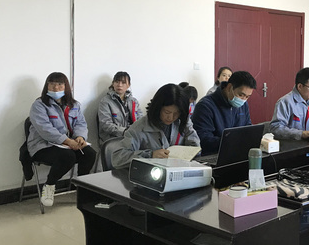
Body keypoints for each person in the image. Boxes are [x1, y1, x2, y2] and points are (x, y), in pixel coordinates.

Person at [27, 72, 97, 207]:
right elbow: (45, 129)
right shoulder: (39, 105)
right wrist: (68, 141)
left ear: (66, 87)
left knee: (89, 153)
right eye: (52, 84)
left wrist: (80, 137)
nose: (55, 88)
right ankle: (49, 185)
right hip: (43, 145)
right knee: (68, 156)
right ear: (46, 86)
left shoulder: (74, 105)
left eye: (60, 84)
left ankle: (82, 187)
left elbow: (81, 124)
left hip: (68, 144)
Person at [111, 83, 200, 169]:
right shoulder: (140, 127)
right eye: (167, 112)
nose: (171, 117)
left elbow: (195, 147)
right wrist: (150, 155)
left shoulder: (182, 120)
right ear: (158, 108)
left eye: (176, 113)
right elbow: (117, 159)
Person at [192, 71, 255, 155]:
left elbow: (247, 127)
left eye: (247, 97)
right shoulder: (205, 106)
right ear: (229, 87)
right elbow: (203, 139)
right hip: (213, 154)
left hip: (237, 152)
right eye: (241, 95)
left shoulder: (243, 104)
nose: (243, 99)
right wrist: (230, 142)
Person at [270, 67, 309, 141]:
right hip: (292, 145)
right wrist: (301, 134)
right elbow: (276, 128)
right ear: (300, 86)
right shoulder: (285, 102)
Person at [98, 71, 143, 144]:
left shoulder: (134, 101)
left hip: (133, 137)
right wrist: (126, 131)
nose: (119, 85)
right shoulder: (105, 102)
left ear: (128, 85)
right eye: (117, 82)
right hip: (113, 139)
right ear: (113, 84)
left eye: (123, 82)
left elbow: (141, 121)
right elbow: (106, 125)